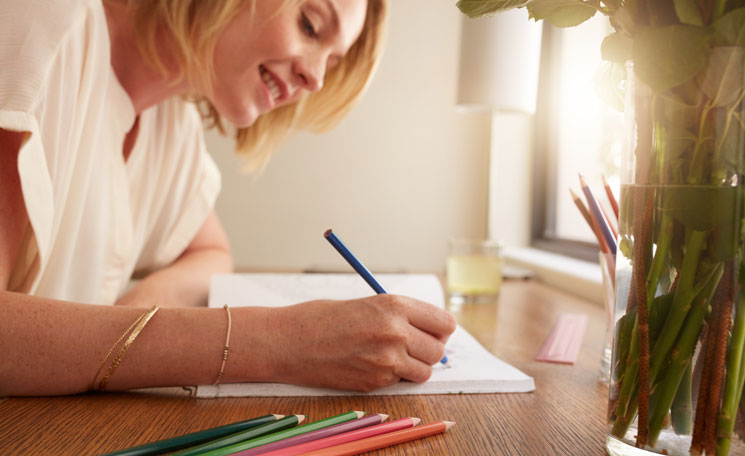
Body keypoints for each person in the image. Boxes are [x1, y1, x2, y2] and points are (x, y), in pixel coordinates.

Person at [0, 0, 457, 396]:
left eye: (332, 61)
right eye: (310, 26)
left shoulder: (171, 129)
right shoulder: (44, 31)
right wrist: (279, 343)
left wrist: (146, 308)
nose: (315, 77)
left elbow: (213, 252)